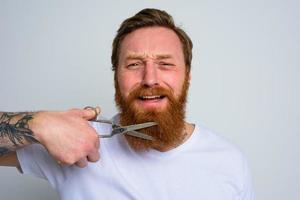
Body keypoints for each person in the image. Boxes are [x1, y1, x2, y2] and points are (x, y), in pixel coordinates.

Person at [0, 8, 255, 200]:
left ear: (187, 75)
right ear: (116, 76)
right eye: (134, 64)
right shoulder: (77, 141)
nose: (150, 79)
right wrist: (39, 124)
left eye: (165, 64)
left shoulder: (229, 162)